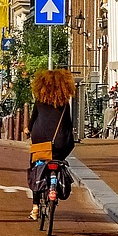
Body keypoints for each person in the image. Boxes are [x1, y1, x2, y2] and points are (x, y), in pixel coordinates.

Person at [27, 68, 75, 220]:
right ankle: (60, 169)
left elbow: (33, 119)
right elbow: (68, 124)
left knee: (35, 166)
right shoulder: (64, 104)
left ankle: (35, 207)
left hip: (40, 140)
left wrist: (28, 129)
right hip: (59, 142)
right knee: (60, 156)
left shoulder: (40, 101)